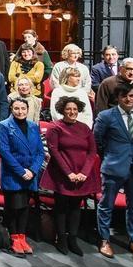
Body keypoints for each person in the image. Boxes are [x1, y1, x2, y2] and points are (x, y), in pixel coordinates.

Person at [93, 82, 133, 261]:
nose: (129, 99)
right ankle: (104, 239)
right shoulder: (106, 116)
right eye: (125, 96)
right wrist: (111, 155)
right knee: (106, 205)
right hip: (114, 166)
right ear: (118, 98)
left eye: (132, 96)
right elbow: (97, 140)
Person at [41, 97, 98, 255]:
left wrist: (84, 172)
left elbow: (92, 152)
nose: (72, 112)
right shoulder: (55, 127)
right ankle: (62, 239)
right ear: (62, 110)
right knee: (61, 207)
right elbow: (54, 151)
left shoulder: (85, 128)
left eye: (75, 109)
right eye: (68, 109)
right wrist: (69, 173)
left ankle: (72, 238)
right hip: (62, 173)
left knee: (75, 207)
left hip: (81, 174)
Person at [0, 97, 44, 256]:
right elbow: (4, 152)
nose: (20, 111)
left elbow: (40, 152)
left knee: (25, 207)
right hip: (13, 173)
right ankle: (13, 237)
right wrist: (21, 171)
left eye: (23, 108)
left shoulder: (33, 126)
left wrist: (32, 170)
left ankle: (22, 236)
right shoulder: (4, 125)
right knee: (14, 207)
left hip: (30, 173)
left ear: (27, 109)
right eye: (16, 108)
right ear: (11, 109)